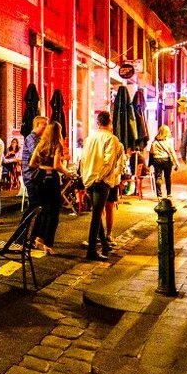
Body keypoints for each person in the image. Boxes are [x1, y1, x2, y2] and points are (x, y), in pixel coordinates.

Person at [80, 111, 124, 261]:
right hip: (101, 181)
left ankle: (104, 244)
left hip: (90, 179)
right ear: (110, 123)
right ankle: (91, 250)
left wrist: (85, 179)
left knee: (96, 213)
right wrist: (100, 177)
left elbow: (83, 160)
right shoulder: (111, 139)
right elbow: (108, 161)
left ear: (98, 122)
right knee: (96, 216)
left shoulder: (89, 138)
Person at [28, 121, 69, 255]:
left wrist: (41, 165)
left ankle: (37, 238)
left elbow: (31, 163)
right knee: (53, 213)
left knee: (43, 209)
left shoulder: (41, 145)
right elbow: (57, 165)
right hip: (51, 179)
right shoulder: (57, 145)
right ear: (58, 132)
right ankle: (48, 243)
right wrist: (67, 172)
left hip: (39, 178)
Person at [22, 116, 49, 217]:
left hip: (35, 176)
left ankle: (32, 229)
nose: (46, 128)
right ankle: (24, 229)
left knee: (38, 205)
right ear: (37, 124)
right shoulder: (31, 138)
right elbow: (37, 154)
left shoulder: (38, 138)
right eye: (44, 125)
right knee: (34, 205)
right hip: (31, 176)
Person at [149, 125, 179, 199]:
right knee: (167, 177)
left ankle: (159, 195)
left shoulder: (155, 142)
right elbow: (172, 152)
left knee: (158, 177)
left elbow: (151, 152)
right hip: (166, 160)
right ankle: (169, 194)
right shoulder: (169, 141)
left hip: (157, 160)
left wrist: (150, 164)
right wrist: (176, 162)